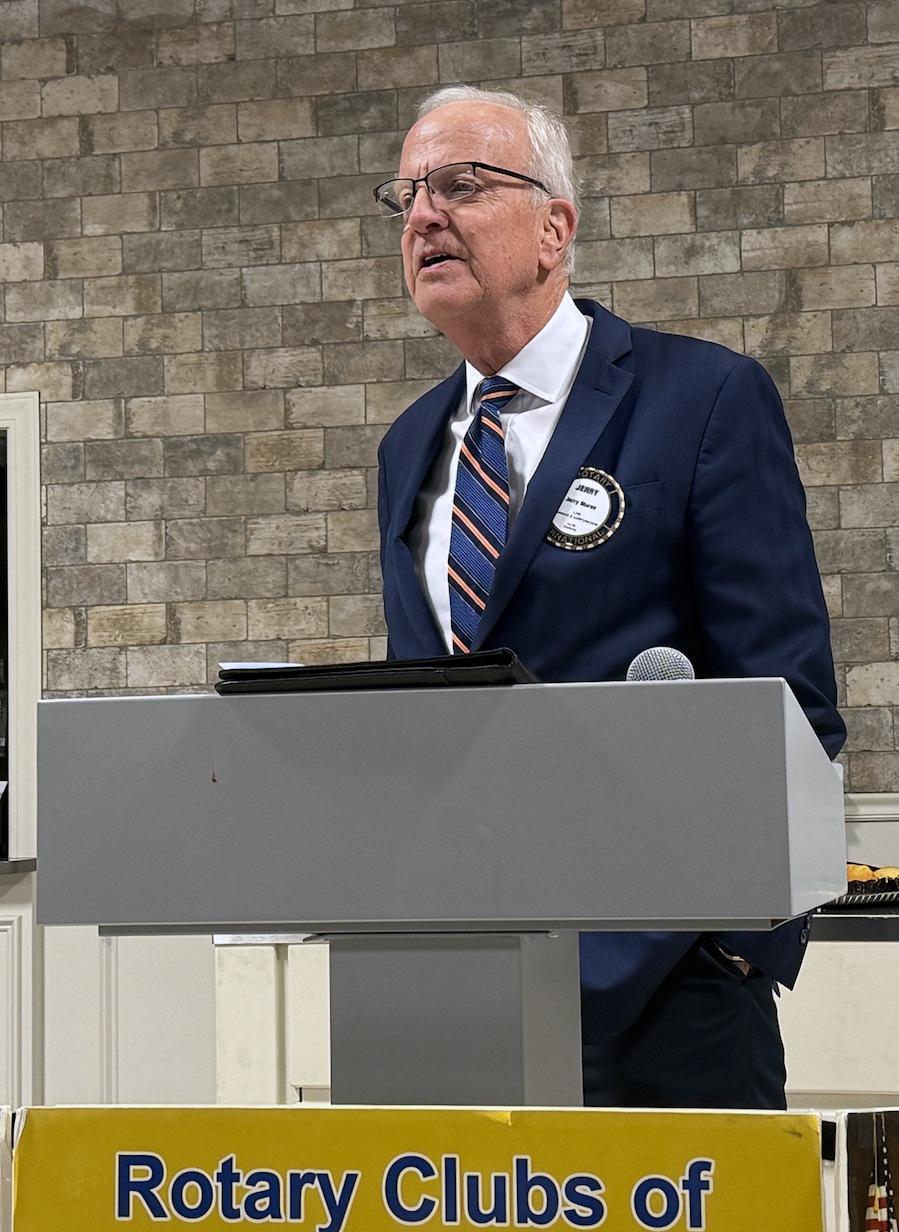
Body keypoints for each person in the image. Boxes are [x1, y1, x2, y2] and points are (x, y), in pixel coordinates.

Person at [374, 85, 843, 1109]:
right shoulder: (407, 447)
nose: (422, 216)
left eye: (460, 183)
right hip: (456, 1000)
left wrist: (722, 952)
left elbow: (790, 711)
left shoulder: (702, 400)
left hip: (663, 1001)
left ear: (555, 228)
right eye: (406, 195)